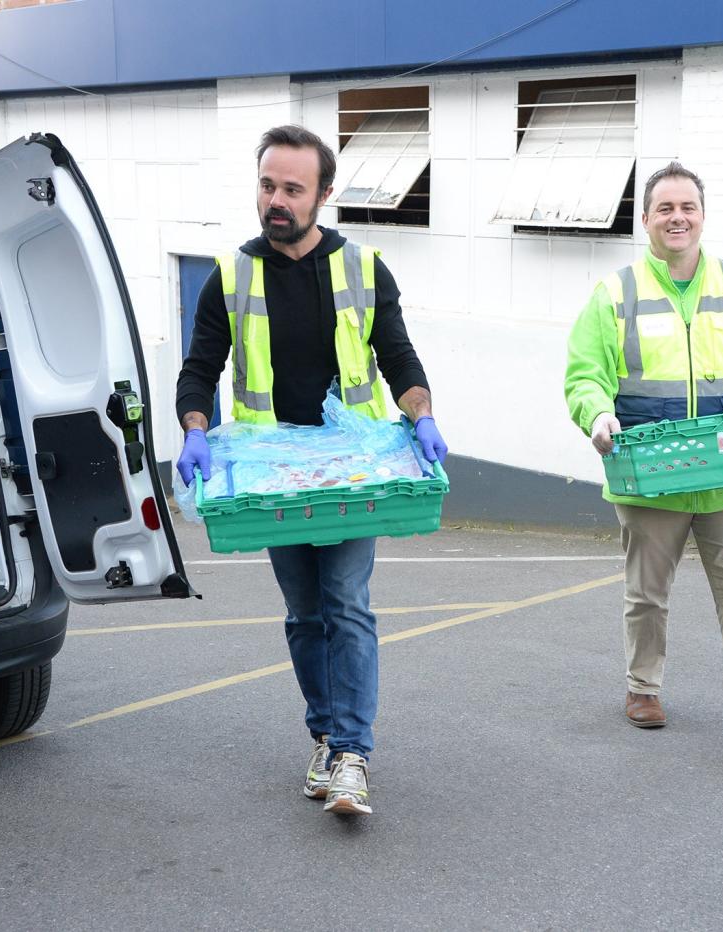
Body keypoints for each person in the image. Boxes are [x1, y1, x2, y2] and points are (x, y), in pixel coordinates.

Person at [175, 125, 448, 815]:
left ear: (324, 195)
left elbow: (398, 356)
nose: (276, 201)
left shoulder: (363, 268)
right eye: (267, 185)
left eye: (292, 190)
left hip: (353, 470)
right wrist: (195, 431)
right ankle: (325, 733)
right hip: (272, 478)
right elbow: (199, 368)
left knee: (347, 605)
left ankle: (354, 752)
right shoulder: (231, 275)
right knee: (303, 614)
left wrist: (421, 414)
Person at [564, 162, 723, 761]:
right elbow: (586, 373)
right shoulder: (616, 295)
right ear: (647, 219)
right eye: (665, 208)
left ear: (702, 216)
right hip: (650, 474)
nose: (677, 217)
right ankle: (643, 687)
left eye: (688, 207)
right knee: (647, 594)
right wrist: (596, 414)